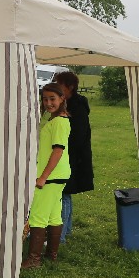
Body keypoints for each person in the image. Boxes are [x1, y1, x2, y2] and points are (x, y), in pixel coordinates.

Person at [23, 82, 71, 269]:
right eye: (45, 99)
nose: (49, 103)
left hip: (51, 177)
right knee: (53, 216)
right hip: (58, 175)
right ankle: (51, 255)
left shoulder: (59, 122)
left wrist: (43, 177)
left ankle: (34, 260)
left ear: (62, 99)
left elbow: (58, 151)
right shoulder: (57, 120)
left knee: (38, 216)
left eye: (53, 99)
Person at [54, 71, 94, 242]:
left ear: (70, 87)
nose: (56, 87)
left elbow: (77, 137)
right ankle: (66, 230)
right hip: (68, 157)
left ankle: (60, 236)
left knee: (63, 194)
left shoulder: (77, 107)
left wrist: (59, 149)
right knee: (65, 193)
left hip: (72, 158)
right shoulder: (66, 104)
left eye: (59, 84)